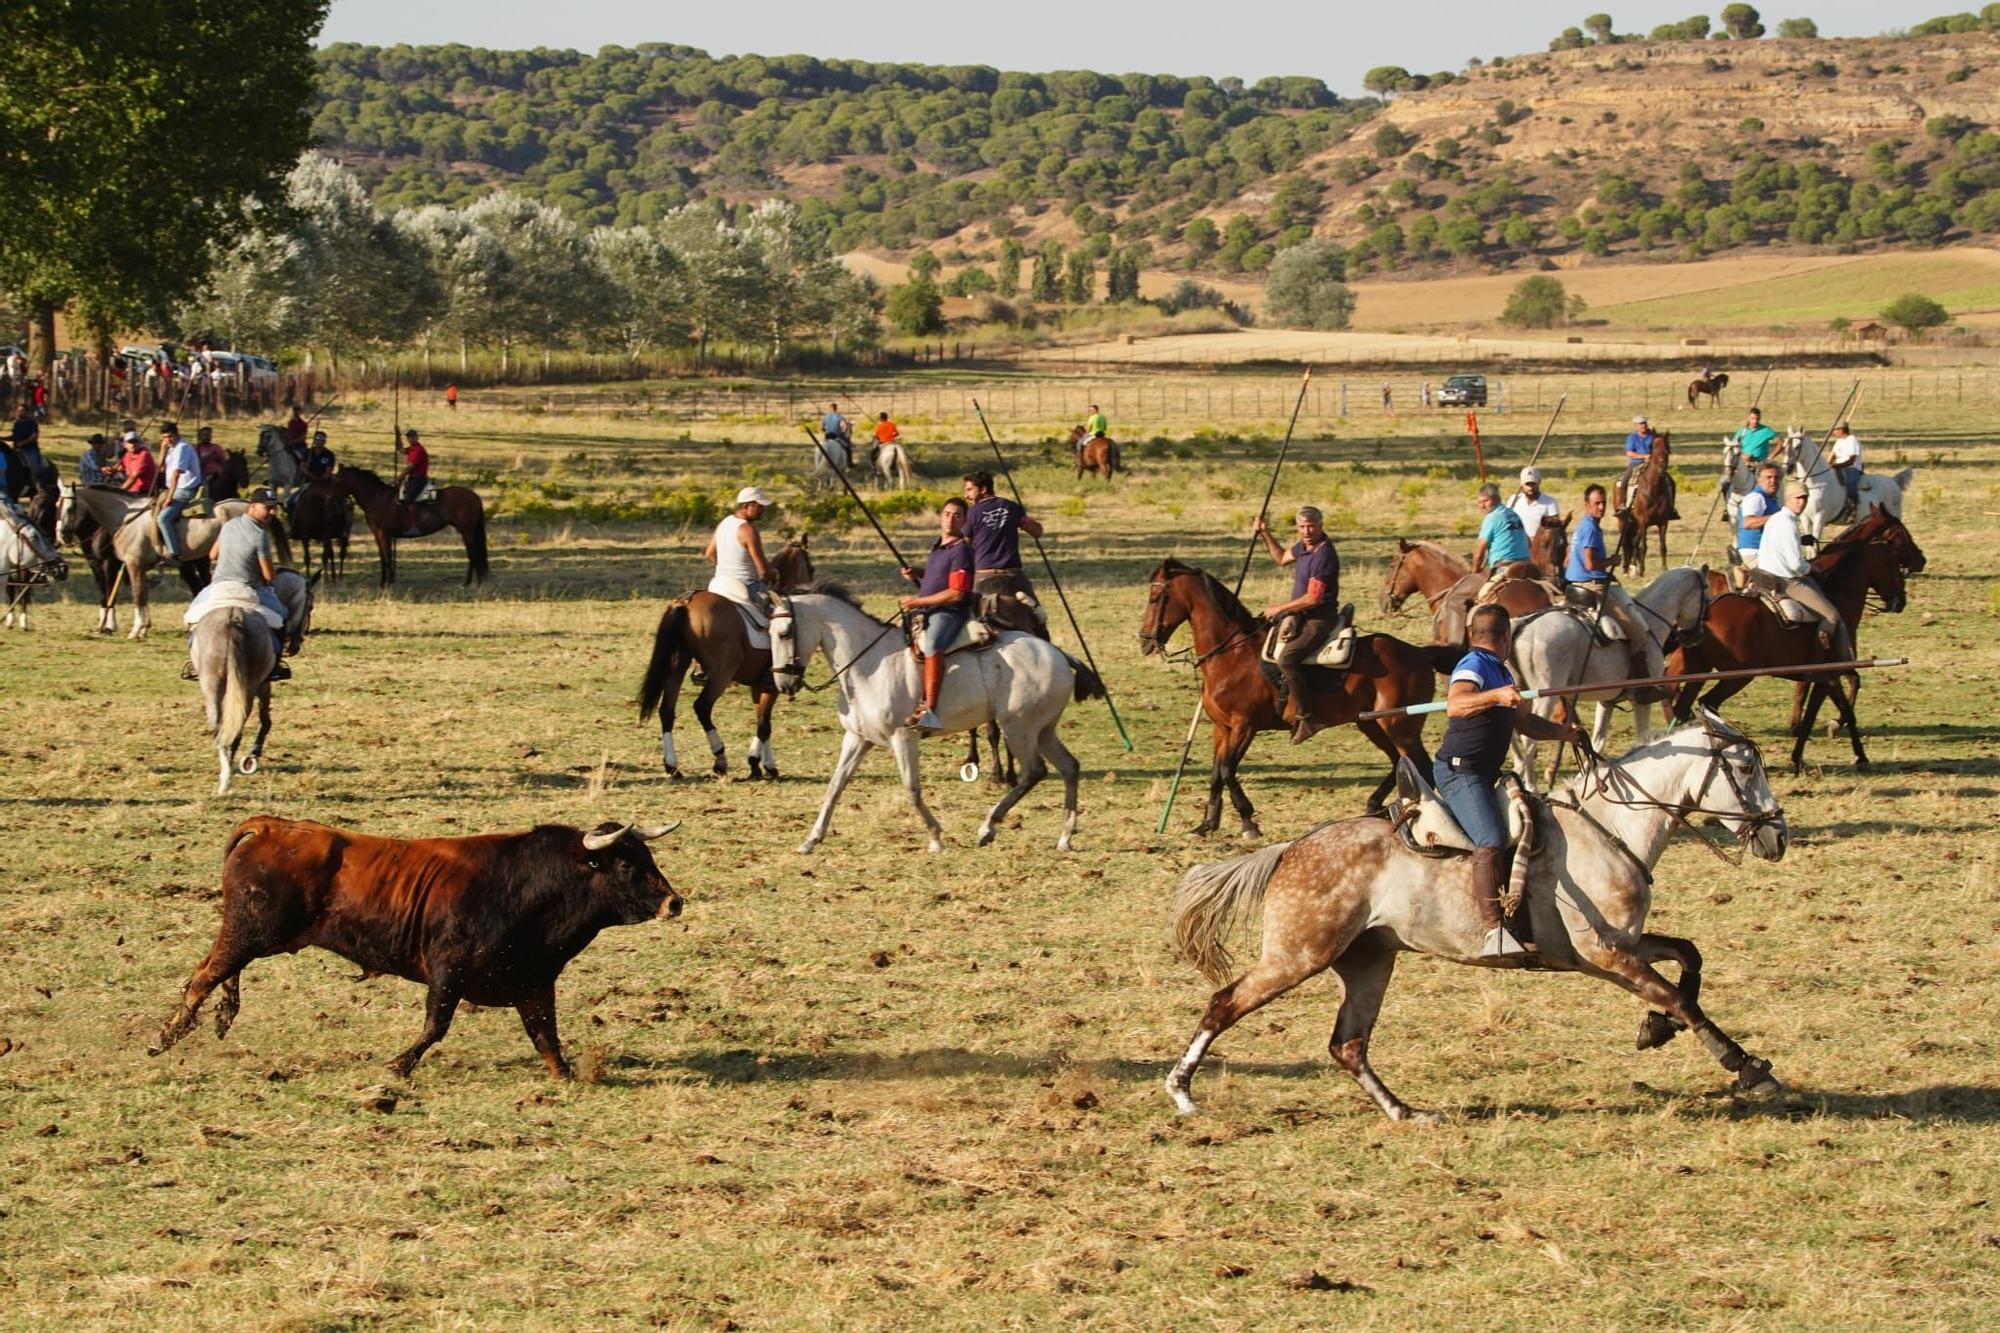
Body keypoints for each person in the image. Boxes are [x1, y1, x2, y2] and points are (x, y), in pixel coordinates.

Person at [1436, 604, 1585, 958]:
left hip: (1486, 773)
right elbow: (1455, 705)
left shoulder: (1502, 672)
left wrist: (1563, 734)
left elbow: (1525, 724)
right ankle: (1494, 933)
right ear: (1506, 637)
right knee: (1490, 839)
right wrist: (1494, 696)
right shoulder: (1474, 666)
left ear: (1474, 634)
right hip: (1461, 772)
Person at [1563, 483, 1666, 701]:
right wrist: (1613, 561)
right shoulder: (1590, 528)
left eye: (1603, 503)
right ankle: (1640, 686)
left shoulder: (1584, 525)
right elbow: (1591, 564)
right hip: (1593, 585)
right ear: (1586, 505)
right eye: (1596, 503)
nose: (1601, 507)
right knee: (1638, 631)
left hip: (1575, 584)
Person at [1253, 505, 1343, 744]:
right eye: (1302, 526)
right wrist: (1265, 533)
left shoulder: (1323, 555)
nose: (1306, 531)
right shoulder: (1303, 547)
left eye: (1311, 526)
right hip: (1300, 614)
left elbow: (1313, 598)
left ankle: (1307, 717)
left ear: (1321, 526)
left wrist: (1281, 608)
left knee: (1288, 658)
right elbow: (1281, 558)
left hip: (1318, 617)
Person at [183, 487, 291, 682]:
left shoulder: (229, 525)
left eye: (274, 508)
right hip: (248, 589)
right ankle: (275, 664)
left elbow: (213, 555)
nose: (272, 512)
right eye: (267, 508)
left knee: (192, 618)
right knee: (282, 618)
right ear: (252, 506)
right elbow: (268, 575)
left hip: (218, 588)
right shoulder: (260, 535)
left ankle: (194, 663)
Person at [1748, 479, 1852, 659]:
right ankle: (1817, 661)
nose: (1801, 502)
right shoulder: (1788, 524)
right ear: (1787, 499)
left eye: (1804, 498)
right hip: (1786, 581)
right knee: (1832, 616)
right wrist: (1811, 567)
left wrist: (1801, 541)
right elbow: (1796, 564)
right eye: (1797, 498)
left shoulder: (1775, 519)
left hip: (1765, 574)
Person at [897, 496, 975, 731]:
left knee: (932, 645)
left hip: (949, 612)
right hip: (927, 609)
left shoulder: (961, 550)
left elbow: (956, 593)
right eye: (947, 514)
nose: (951, 519)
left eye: (957, 515)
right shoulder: (939, 546)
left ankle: (929, 709)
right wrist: (918, 573)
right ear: (941, 517)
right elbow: (938, 575)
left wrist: (918, 600)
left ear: (965, 521)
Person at [962, 469, 1045, 632]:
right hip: (1014, 575)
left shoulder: (971, 513)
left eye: (969, 489)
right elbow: (1037, 531)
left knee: (970, 621)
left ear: (984, 489)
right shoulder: (1012, 507)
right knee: (1038, 618)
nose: (966, 495)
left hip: (984, 575)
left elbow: (964, 547)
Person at [704, 486, 777, 607]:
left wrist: (728, 569)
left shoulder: (725, 522)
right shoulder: (748, 529)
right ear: (746, 506)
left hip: (719, 582)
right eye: (759, 506)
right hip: (746, 584)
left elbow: (709, 554)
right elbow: (764, 571)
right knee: (781, 614)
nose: (763, 509)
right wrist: (774, 574)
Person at [156, 424, 203, 562]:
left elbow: (176, 474)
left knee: (163, 518)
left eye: (170, 436)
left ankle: (174, 553)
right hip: (174, 488)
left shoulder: (182, 448)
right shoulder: (171, 448)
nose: (168, 440)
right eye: (165, 437)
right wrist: (163, 449)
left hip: (184, 489)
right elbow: (160, 467)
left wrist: (169, 498)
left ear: (177, 434)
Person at [1471, 481, 1530, 578]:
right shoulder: (1513, 514)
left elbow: (1479, 554)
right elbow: (1528, 543)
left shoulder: (1492, 517)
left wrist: (1475, 571)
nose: (1482, 506)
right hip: (1527, 566)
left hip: (1504, 568)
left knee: (1482, 593)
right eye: (1479, 502)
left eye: (1486, 501)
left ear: (1497, 499)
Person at [1735, 463, 1781, 574]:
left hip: (1767, 552)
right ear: (1758, 480)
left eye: (1776, 478)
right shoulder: (1756, 497)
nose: (1773, 481)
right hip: (1755, 553)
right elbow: (1748, 523)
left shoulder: (1769, 498)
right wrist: (1778, 517)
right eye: (1768, 477)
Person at [1509, 466, 1560, 541]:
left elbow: (1555, 530)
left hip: (1539, 546)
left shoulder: (1550, 502)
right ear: (1521, 484)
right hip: (1518, 544)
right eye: (1527, 484)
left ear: (1539, 482)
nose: (1530, 488)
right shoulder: (1514, 500)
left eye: (1533, 484)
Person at [1615, 414, 1654, 510]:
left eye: (1644, 423)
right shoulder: (1632, 438)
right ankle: (1622, 504)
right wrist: (1644, 456)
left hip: (1651, 463)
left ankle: (1670, 507)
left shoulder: (1653, 436)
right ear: (1636, 426)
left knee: (1668, 481)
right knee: (1624, 481)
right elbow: (1629, 453)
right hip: (1636, 463)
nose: (1643, 425)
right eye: (1640, 424)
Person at [394, 427, 430, 532]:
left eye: (412, 437)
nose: (410, 439)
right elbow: (400, 449)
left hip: (419, 479)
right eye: (408, 437)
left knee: (409, 499)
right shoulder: (411, 449)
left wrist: (399, 477)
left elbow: (410, 467)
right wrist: (397, 435)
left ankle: (415, 526)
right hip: (411, 479)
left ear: (416, 437)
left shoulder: (418, 450)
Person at [1828, 423, 1863, 509]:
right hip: (1839, 467)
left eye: (1835, 430)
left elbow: (1851, 461)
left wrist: (1836, 466)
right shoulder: (1838, 441)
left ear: (1841, 430)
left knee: (1850, 483)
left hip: (1852, 468)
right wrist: (1827, 465)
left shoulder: (1852, 440)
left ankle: (1853, 506)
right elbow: (1832, 457)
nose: (1833, 432)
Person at [194, 426, 227, 495]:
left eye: (209, 435)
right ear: (199, 436)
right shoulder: (195, 448)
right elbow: (196, 465)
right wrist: (209, 456)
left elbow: (224, 462)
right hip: (203, 476)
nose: (207, 437)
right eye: (204, 435)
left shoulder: (216, 447)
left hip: (217, 475)